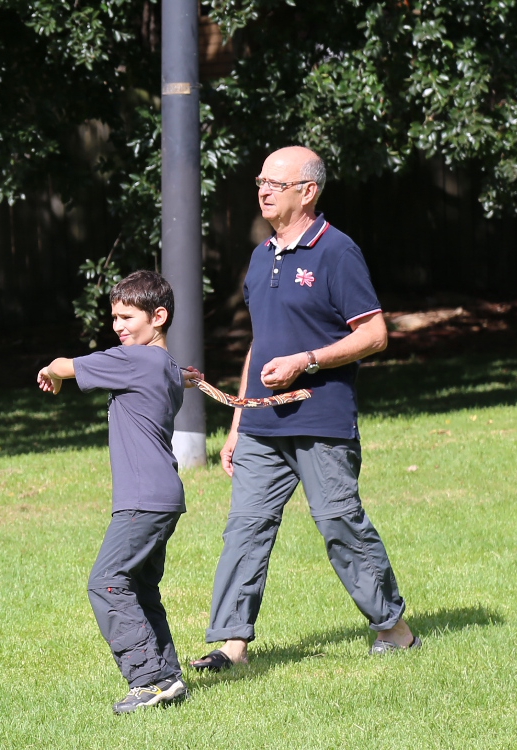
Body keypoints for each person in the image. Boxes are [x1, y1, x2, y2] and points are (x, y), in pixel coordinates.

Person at [189, 146, 418, 673]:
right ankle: (230, 645)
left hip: (321, 421)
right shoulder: (259, 254)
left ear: (307, 191)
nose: (263, 190)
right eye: (260, 181)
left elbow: (375, 334)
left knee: (340, 523)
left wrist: (308, 360)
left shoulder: (337, 251)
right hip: (260, 426)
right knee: (245, 528)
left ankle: (395, 630)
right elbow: (260, 343)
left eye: (275, 183)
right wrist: (236, 423)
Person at [37, 270, 201, 714]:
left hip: (142, 499)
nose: (118, 326)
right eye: (114, 318)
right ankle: (167, 677)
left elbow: (67, 366)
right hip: (161, 497)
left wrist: (49, 369)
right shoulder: (167, 366)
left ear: (159, 317)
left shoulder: (136, 360)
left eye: (127, 317)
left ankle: (146, 680)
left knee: (106, 583)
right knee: (140, 589)